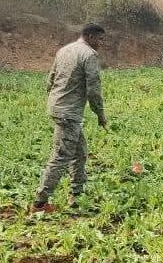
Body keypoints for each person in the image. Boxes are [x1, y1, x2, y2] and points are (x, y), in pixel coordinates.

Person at [32, 23, 109, 213]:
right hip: (69, 113)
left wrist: (54, 101)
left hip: (58, 107)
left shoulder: (65, 50)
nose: (101, 43)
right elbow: (93, 89)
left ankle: (77, 195)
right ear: (90, 37)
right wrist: (100, 114)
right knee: (61, 156)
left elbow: (50, 79)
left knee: (80, 151)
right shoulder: (88, 55)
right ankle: (40, 203)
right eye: (100, 39)